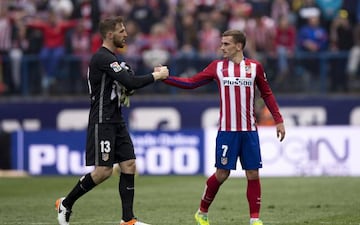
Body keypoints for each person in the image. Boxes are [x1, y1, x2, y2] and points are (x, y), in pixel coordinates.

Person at [162, 29, 285, 225]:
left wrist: (278, 120)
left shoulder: (255, 67)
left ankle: (255, 219)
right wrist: (166, 78)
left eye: (226, 44)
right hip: (227, 131)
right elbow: (192, 83)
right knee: (222, 174)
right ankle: (202, 212)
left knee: (253, 173)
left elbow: (267, 94)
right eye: (222, 44)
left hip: (249, 131)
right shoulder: (216, 67)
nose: (222, 47)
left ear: (239, 46)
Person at [55, 16, 169, 225]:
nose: (126, 34)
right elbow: (129, 81)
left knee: (129, 163)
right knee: (103, 171)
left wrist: (128, 88)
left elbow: (127, 85)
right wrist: (156, 75)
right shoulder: (102, 58)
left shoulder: (113, 60)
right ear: (110, 34)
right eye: (121, 31)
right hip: (102, 120)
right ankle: (66, 203)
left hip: (116, 118)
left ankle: (128, 220)